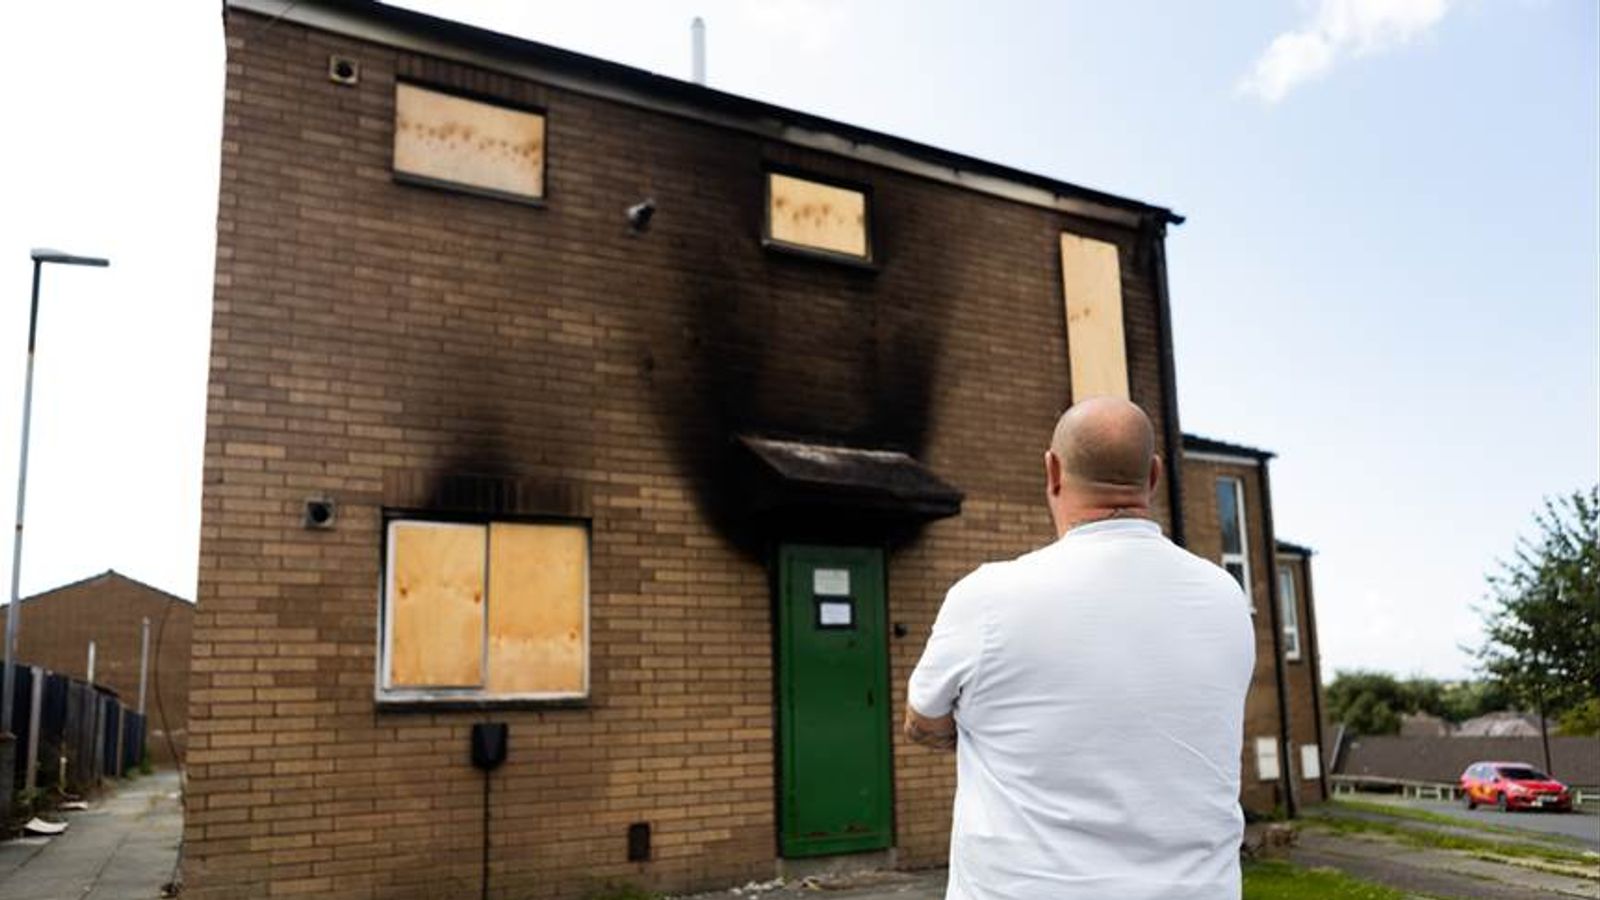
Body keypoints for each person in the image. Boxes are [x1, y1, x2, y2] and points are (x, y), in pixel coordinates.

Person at [905, 397, 1255, 900]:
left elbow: (923, 721)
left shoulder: (986, 598)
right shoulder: (1226, 599)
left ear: (1052, 471)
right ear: (1154, 476)